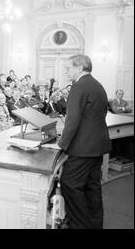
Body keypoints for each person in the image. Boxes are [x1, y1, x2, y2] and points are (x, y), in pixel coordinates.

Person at [58, 54, 111, 229]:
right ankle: (95, 224)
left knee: (69, 183)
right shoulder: (97, 84)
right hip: (97, 145)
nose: (66, 72)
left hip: (82, 148)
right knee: (92, 187)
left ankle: (80, 224)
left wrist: (61, 145)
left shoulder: (78, 86)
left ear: (79, 67)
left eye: (68, 68)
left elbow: (72, 121)